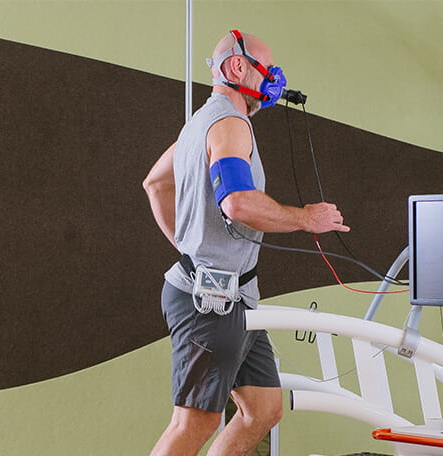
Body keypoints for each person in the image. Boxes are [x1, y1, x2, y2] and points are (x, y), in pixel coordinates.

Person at [143, 30, 350, 455]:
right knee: (194, 423)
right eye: (268, 69)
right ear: (238, 68)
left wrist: (189, 248)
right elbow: (237, 203)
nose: (274, 78)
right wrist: (305, 217)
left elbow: (155, 183)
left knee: (263, 408)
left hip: (237, 295)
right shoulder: (230, 122)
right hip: (210, 302)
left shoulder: (199, 123)